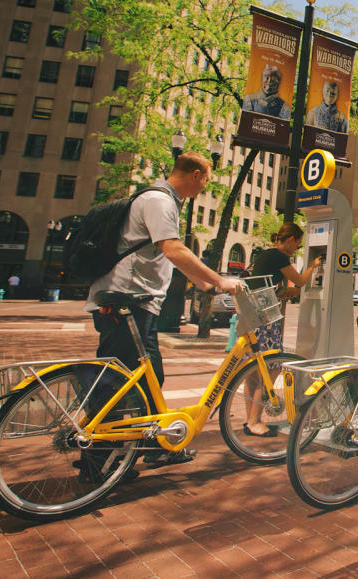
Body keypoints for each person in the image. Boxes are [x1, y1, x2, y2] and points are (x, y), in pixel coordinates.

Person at [84, 152, 242, 473]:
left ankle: (156, 446)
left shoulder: (159, 200)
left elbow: (169, 258)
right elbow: (174, 249)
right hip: (129, 302)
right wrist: (218, 280)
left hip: (137, 303)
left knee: (148, 380)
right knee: (117, 384)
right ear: (196, 174)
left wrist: (204, 285)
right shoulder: (159, 200)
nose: (203, 189)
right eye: (205, 181)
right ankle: (98, 462)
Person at [242, 222, 322, 437]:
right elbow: (300, 281)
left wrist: (284, 292)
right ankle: (255, 422)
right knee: (271, 368)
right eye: (297, 244)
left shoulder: (264, 255)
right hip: (265, 319)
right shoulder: (279, 257)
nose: (296, 248)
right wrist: (313, 266)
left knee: (252, 371)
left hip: (252, 315)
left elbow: (267, 285)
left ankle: (249, 419)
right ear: (289, 239)